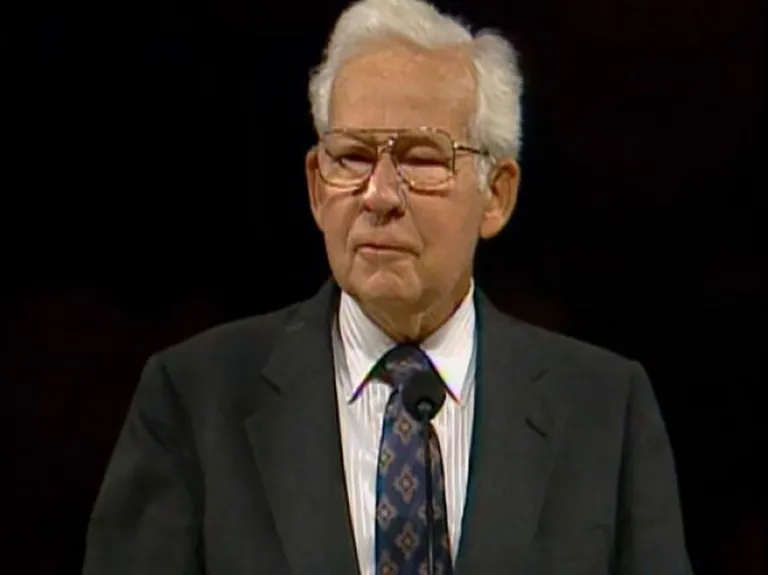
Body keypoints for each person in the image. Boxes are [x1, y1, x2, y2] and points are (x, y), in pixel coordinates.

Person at [82, 0, 693, 573]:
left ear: (497, 195)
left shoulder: (605, 412)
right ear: (317, 186)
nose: (379, 195)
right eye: (351, 157)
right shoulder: (194, 400)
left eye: (423, 159)